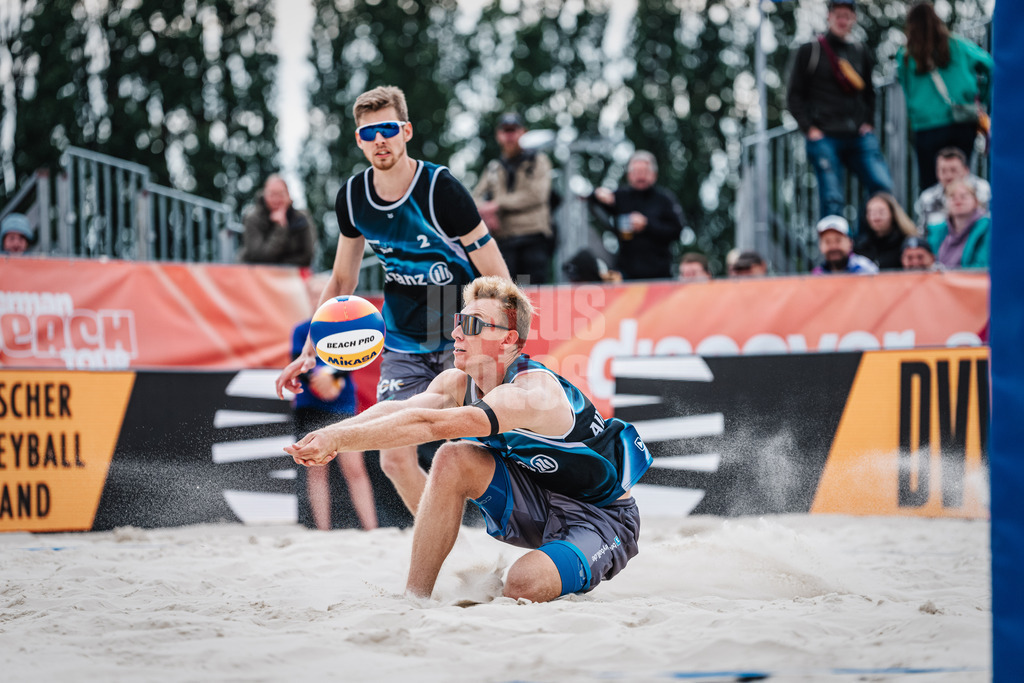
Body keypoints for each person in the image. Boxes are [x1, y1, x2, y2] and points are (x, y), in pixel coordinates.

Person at [285, 276, 652, 602]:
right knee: (452, 458)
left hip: (601, 517)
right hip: (537, 501)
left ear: (508, 339)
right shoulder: (456, 382)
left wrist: (337, 442)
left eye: (473, 325)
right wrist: (331, 433)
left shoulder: (530, 392)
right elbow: (399, 411)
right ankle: (415, 599)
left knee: (522, 584)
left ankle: (559, 563)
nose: (457, 332)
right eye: (459, 321)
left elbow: (428, 425)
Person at [276, 86, 510, 517]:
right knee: (394, 458)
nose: (379, 140)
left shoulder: (441, 188)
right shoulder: (353, 196)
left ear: (406, 131)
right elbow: (343, 278)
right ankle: (445, 548)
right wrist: (311, 349)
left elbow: (495, 271)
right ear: (359, 139)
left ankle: (515, 533)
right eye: (368, 133)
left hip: (460, 336)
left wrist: (503, 334)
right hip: (403, 339)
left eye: (387, 129)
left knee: (475, 450)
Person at [786, 0, 894, 222]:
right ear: (829, 16)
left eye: (847, 15)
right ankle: (836, 248)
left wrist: (868, 122)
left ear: (853, 19)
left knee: (882, 186)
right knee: (832, 196)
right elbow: (794, 95)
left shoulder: (859, 51)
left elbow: (869, 92)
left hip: (857, 133)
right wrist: (809, 128)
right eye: (838, 15)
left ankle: (867, 241)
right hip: (824, 134)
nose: (842, 20)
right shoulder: (811, 51)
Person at [290, 319, 378, 531]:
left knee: (354, 468)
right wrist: (319, 382)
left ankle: (372, 529)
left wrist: (332, 376)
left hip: (342, 405)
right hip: (311, 405)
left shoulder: (345, 329)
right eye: (312, 294)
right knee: (317, 470)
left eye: (319, 293)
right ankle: (323, 530)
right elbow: (298, 362)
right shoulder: (302, 329)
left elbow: (356, 358)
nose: (316, 298)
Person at [897, 2, 993, 190]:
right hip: (961, 119)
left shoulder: (906, 55)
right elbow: (989, 66)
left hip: (926, 125)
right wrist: (982, 99)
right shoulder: (957, 44)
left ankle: (935, 219)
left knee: (932, 185)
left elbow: (906, 91)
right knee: (960, 180)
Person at [472, 113, 554, 284]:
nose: (510, 136)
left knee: (534, 295)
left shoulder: (538, 161)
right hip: (505, 241)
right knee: (508, 297)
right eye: (505, 131)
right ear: (498, 135)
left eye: (514, 130)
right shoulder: (494, 167)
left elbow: (537, 195)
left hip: (532, 238)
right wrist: (487, 212)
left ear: (523, 132)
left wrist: (496, 205)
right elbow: (475, 198)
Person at [588, 151, 686, 280]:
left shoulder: (664, 199)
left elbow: (677, 231)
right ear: (629, 175)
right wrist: (598, 194)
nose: (640, 177)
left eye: (644, 172)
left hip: (658, 272)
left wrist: (647, 225)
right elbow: (593, 200)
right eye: (636, 172)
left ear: (654, 175)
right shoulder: (621, 196)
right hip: (626, 270)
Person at [239, 175, 317, 266]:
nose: (276, 199)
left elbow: (307, 255)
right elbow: (258, 257)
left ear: (288, 195)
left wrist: (281, 267)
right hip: (256, 275)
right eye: (272, 194)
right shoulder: (252, 219)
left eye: (280, 194)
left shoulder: (301, 219)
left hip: (290, 274)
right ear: (264, 195)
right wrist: (280, 228)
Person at [914, 147, 991, 233]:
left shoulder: (981, 190)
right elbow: (922, 234)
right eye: (943, 171)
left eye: (953, 170)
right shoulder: (928, 198)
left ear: (966, 170)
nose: (948, 176)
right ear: (936, 172)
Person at [928, 179, 990, 269]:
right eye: (952, 196)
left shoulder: (987, 229)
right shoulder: (937, 231)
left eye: (963, 196)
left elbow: (980, 267)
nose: (957, 200)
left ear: (976, 201)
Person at [854, 192, 918, 270]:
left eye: (881, 212)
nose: (876, 217)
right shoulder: (860, 246)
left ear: (892, 213)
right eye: (871, 212)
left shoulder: (907, 244)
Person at [812, 215, 879, 274]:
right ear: (820, 246)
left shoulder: (866, 271)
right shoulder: (817, 275)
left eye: (838, 240)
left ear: (850, 243)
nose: (833, 246)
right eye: (827, 242)